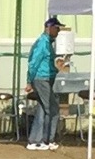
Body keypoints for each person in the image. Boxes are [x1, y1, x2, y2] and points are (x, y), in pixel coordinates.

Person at [24, 15, 65, 150]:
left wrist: (56, 69)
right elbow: (33, 63)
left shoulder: (48, 43)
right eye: (57, 28)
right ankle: (47, 139)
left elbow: (46, 63)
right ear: (49, 28)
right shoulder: (42, 43)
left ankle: (35, 140)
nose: (58, 32)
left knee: (42, 109)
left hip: (46, 78)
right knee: (52, 109)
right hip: (41, 79)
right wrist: (29, 81)